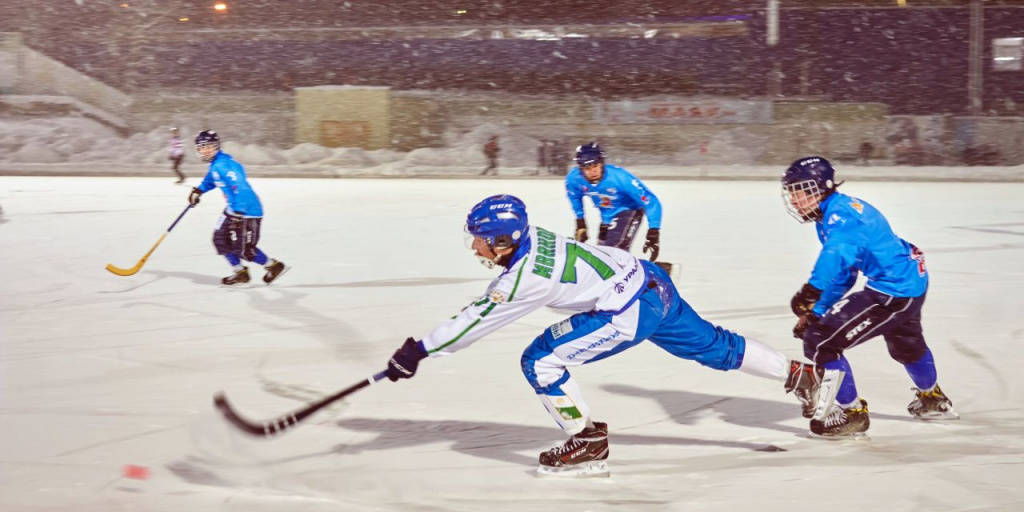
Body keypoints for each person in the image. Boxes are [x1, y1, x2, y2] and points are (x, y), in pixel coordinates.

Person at [382, 194, 820, 477]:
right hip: (651, 282)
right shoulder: (532, 235)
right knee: (714, 346)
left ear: (503, 242)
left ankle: (587, 441)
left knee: (540, 360)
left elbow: (475, 321)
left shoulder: (522, 278)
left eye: (479, 240)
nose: (475, 248)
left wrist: (419, 351)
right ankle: (798, 374)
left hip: (627, 310)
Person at [782, 156, 958, 439]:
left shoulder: (841, 217)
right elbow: (845, 273)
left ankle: (852, 414)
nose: (793, 199)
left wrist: (811, 292)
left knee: (820, 342)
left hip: (893, 292)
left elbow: (836, 254)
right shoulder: (832, 213)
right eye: (790, 192)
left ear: (819, 188)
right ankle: (932, 398)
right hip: (910, 280)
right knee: (906, 345)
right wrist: (818, 308)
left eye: (798, 190)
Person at [187, 130, 288, 286]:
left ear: (217, 147)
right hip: (232, 209)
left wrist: (239, 213)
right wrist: (198, 190)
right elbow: (211, 180)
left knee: (244, 250)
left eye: (209, 146)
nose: (206, 150)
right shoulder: (215, 165)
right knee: (220, 239)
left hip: (248, 211)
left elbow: (241, 188)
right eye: (202, 147)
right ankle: (240, 272)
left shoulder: (225, 165)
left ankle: (273, 266)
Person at [565, 142, 672, 274]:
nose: (592, 171)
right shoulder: (574, 179)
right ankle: (652, 272)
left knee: (614, 254)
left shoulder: (620, 177)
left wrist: (653, 231)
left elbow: (651, 200)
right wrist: (580, 221)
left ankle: (656, 273)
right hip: (607, 218)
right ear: (580, 168)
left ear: (602, 163)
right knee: (602, 257)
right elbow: (574, 196)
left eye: (595, 166)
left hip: (629, 210)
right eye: (587, 168)